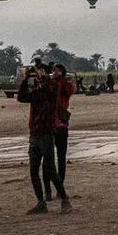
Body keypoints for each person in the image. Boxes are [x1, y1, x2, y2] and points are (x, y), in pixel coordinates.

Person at [17, 64, 71, 215]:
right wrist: (26, 79)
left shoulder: (52, 86)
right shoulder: (37, 89)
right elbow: (21, 98)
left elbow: (51, 89)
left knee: (50, 170)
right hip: (35, 133)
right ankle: (41, 202)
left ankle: (64, 198)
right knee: (33, 170)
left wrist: (43, 77)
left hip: (46, 133)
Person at [43, 64, 75, 202]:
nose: (54, 72)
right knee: (48, 160)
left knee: (60, 159)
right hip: (50, 126)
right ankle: (48, 190)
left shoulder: (64, 84)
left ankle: (58, 188)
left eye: (56, 70)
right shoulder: (50, 84)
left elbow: (68, 91)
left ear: (61, 72)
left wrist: (59, 79)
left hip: (59, 125)